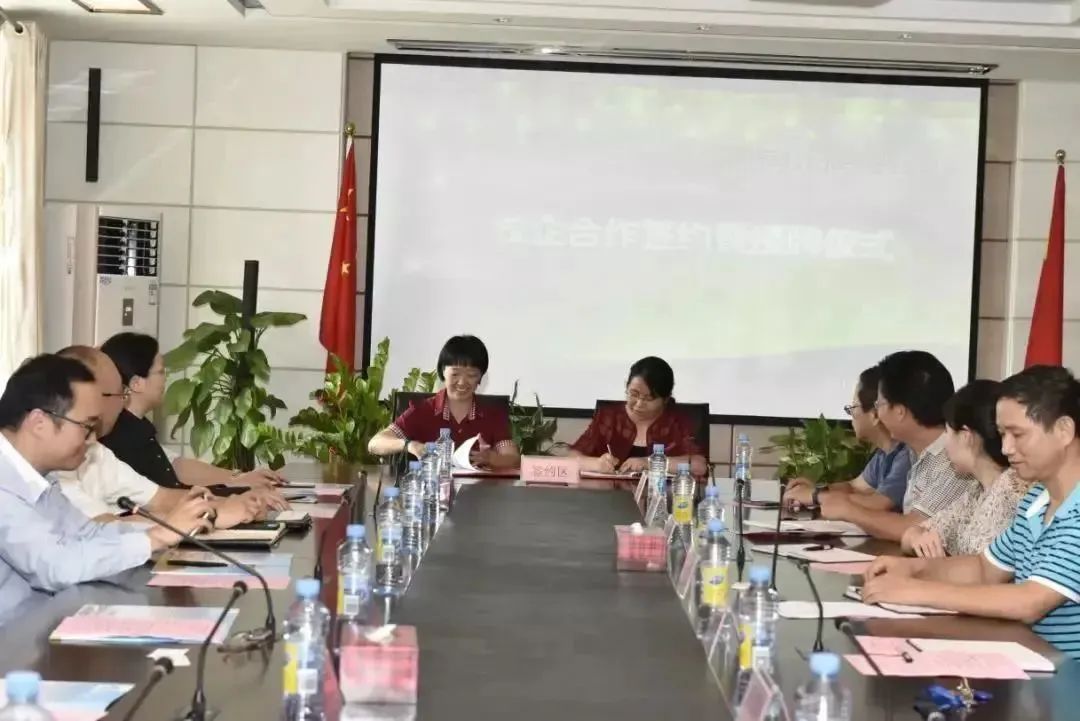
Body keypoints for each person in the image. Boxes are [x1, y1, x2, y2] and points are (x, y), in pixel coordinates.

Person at [864, 366, 1080, 660]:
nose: (1006, 448)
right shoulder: (1036, 499)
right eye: (1002, 434)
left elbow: (1029, 601)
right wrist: (913, 569)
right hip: (1030, 659)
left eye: (1017, 434)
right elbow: (984, 569)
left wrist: (914, 590)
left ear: (1064, 430)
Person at [0, 355, 212, 623]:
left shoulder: (38, 476)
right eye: (87, 427)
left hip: (43, 625)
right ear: (39, 423)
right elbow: (56, 566)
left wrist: (167, 529)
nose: (92, 440)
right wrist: (156, 538)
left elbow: (88, 534)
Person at [53, 346, 260, 527]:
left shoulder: (97, 451)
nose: (123, 402)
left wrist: (230, 503)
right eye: (119, 394)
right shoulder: (53, 464)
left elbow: (159, 498)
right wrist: (211, 514)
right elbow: (97, 528)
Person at [99, 332, 287, 509]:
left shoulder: (137, 429)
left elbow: (175, 467)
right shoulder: (119, 439)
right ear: (136, 383)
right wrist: (238, 496)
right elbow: (161, 499)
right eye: (161, 372)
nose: (166, 378)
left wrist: (238, 483)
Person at [817, 350, 973, 541]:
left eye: (879, 404)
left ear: (899, 411)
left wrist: (849, 510)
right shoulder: (917, 453)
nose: (878, 413)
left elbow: (915, 528)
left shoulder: (952, 460)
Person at [901, 379, 1027, 558]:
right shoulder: (977, 491)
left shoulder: (1011, 489)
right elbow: (910, 535)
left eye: (947, 431)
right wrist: (917, 537)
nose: (945, 443)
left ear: (966, 435)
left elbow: (984, 568)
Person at [368, 335, 520, 470]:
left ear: (480, 377)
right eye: (455, 374)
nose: (462, 382)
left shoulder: (491, 414)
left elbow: (513, 458)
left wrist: (491, 458)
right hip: (432, 489)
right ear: (442, 373)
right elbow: (375, 443)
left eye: (471, 375)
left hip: (478, 491)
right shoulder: (422, 410)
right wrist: (410, 445)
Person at [784, 364, 910, 511]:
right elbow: (854, 487)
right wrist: (816, 489)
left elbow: (879, 504)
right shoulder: (884, 453)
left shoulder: (906, 455)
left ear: (875, 414)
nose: (851, 416)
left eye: (853, 407)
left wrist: (815, 496)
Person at [568, 357, 706, 476]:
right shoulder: (609, 417)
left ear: (665, 399)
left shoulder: (677, 420)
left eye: (649, 399)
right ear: (626, 387)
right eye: (633, 394)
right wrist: (596, 464)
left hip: (663, 495)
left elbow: (699, 465)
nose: (639, 404)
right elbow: (572, 458)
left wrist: (649, 463)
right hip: (611, 495)